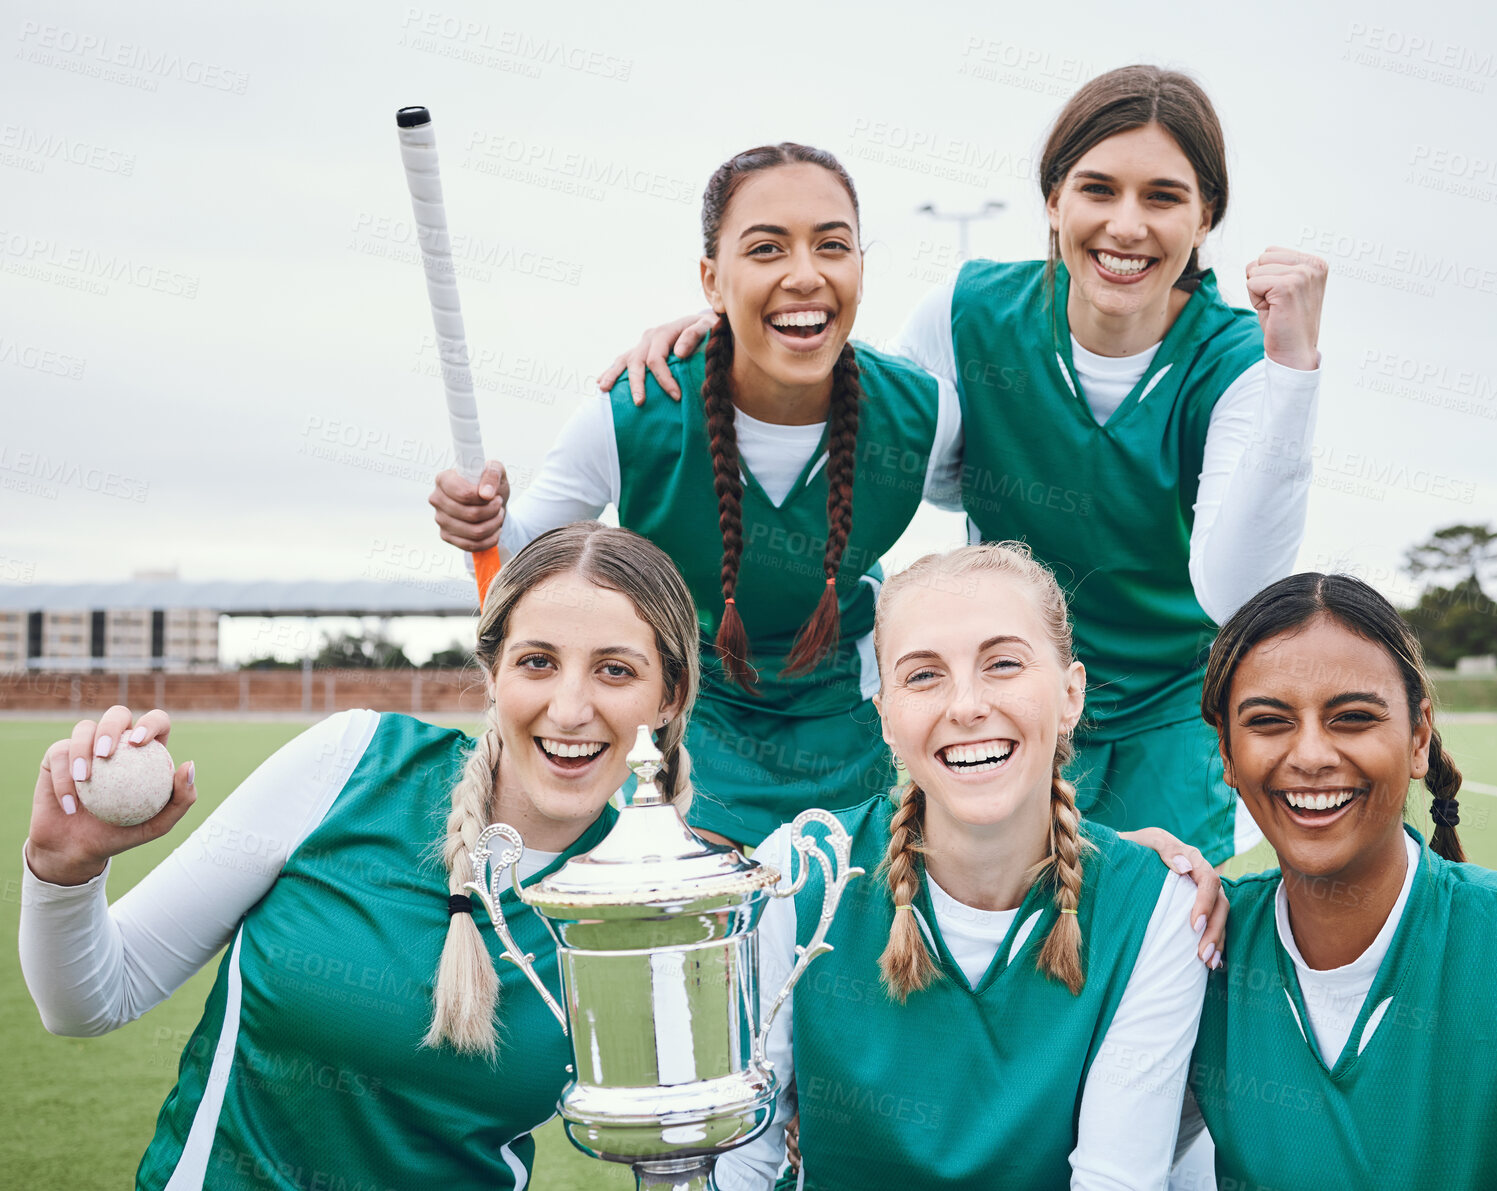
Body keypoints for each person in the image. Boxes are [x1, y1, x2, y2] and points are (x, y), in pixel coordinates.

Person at [601, 65, 1327, 868]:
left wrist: (1291, 370)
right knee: (1004, 939)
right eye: (1097, 189)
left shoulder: (1235, 360)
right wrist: (736, 334)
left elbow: (1233, 591)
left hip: (1167, 715)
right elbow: (869, 426)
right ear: (1053, 201)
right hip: (1010, 696)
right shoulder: (966, 310)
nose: (1126, 224)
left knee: (1155, 942)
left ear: (1206, 216)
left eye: (1161, 196)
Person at [20, 522, 703, 1189]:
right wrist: (65, 871)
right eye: (537, 661)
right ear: (492, 672)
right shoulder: (348, 765)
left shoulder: (646, 907)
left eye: (615, 669)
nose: (570, 706)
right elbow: (90, 999)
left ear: (667, 696)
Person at [432, 143, 963, 847]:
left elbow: (992, 523)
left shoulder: (925, 412)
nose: (804, 275)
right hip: (682, 727)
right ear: (712, 280)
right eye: (766, 249)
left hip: (851, 725)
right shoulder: (632, 412)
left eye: (831, 246)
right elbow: (519, 560)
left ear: (860, 266)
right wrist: (481, 520)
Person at [716, 543, 1219, 1191]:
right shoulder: (803, 871)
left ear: (1070, 695)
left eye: (1002, 663)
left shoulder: (1155, 908)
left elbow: (1115, 1179)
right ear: (886, 719)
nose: (965, 705)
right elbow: (735, 1159)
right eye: (923, 675)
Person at [1183, 573, 1497, 1188]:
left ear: (1418, 738)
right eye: (1269, 721)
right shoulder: (1193, 950)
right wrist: (1122, 877)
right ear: (1227, 752)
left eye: (1353, 717)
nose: (1310, 755)